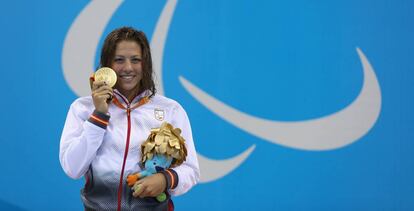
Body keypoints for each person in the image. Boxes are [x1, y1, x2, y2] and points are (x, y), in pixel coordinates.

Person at [59, 26, 200, 211]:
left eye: (136, 60)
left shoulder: (171, 110)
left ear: (146, 63)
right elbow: (73, 167)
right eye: (119, 60)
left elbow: (191, 170)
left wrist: (165, 179)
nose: (128, 68)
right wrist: (99, 115)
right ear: (107, 65)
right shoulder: (83, 108)